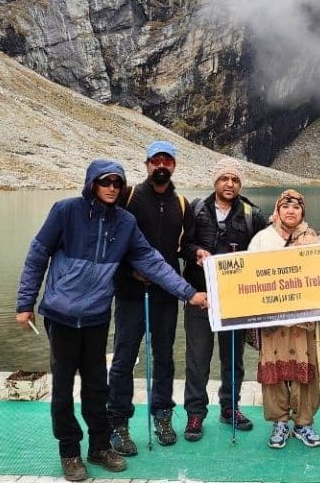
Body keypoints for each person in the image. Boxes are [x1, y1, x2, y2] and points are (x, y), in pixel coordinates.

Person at [16, 159, 208, 482]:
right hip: (61, 316)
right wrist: (25, 303)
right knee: (62, 387)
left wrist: (189, 293)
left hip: (96, 317)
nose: (111, 188)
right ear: (92, 183)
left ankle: (100, 446)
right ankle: (69, 451)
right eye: (105, 182)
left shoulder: (125, 223)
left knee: (96, 386)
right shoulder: (65, 211)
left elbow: (153, 262)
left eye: (117, 183)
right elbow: (38, 254)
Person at [107, 140, 201, 453]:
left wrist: (197, 252)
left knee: (163, 355)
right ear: (147, 164)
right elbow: (110, 238)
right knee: (124, 357)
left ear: (174, 166)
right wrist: (129, 269)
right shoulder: (129, 195)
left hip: (164, 293)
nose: (161, 166)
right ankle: (118, 422)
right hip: (131, 292)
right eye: (155, 161)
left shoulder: (182, 204)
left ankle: (162, 413)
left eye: (167, 161)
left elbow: (183, 246)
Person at [181, 158, 267, 441]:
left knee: (233, 357)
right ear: (215, 181)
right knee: (197, 358)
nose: (230, 184)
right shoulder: (195, 209)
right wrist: (195, 252)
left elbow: (270, 244)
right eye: (224, 179)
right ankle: (195, 413)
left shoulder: (252, 213)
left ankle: (230, 407)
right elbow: (182, 245)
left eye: (235, 180)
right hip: (200, 296)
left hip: (235, 299)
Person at [247, 189, 320, 450]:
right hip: (273, 320)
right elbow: (248, 276)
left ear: (303, 211)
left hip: (303, 319)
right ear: (277, 211)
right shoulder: (262, 240)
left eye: (297, 206)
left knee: (304, 369)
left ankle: (303, 422)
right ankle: (279, 421)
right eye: (285, 206)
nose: (291, 211)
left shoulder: (314, 240)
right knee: (275, 369)